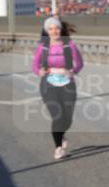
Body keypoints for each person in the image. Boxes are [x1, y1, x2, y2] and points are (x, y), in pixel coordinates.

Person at [32, 17, 84, 160]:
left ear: (61, 30)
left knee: (67, 119)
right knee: (57, 117)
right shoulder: (43, 46)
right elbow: (34, 65)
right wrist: (39, 72)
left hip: (67, 84)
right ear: (46, 31)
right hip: (48, 85)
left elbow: (79, 63)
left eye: (57, 28)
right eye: (50, 28)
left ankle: (61, 134)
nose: (54, 31)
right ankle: (58, 148)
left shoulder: (70, 45)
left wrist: (73, 71)